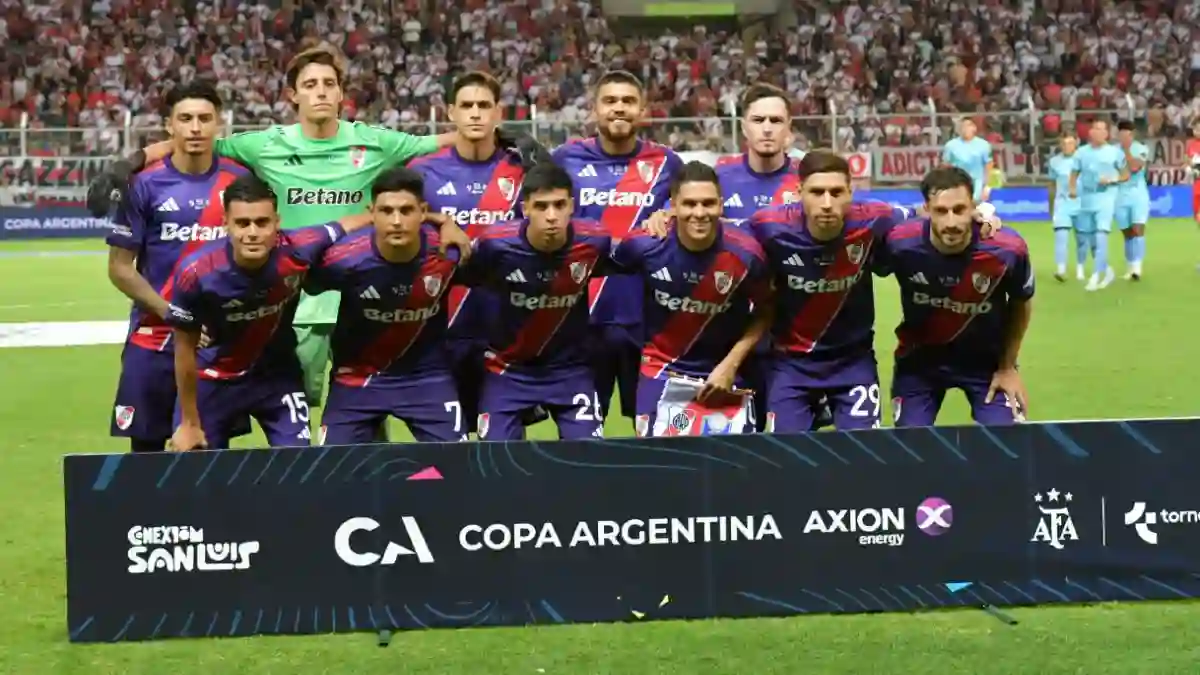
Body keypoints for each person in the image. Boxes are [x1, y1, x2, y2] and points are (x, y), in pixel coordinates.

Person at [88, 44, 498, 411]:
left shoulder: (377, 142)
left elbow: (450, 139)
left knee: (367, 395)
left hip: (359, 288)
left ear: (341, 94)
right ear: (293, 95)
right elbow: (192, 142)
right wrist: (130, 162)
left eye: (328, 84)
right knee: (294, 397)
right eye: (310, 84)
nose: (320, 91)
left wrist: (506, 138)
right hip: (291, 291)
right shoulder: (264, 144)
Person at [166, 175, 374, 451]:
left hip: (278, 379)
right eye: (242, 223)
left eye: (262, 222)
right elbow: (183, 352)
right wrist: (189, 422)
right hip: (212, 380)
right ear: (225, 223)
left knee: (298, 466)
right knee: (197, 473)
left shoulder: (300, 247)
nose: (252, 232)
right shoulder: (196, 273)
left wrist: (439, 221)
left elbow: (344, 225)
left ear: (277, 222)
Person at [105, 81, 252, 452]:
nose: (196, 127)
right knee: (146, 460)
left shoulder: (241, 181)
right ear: (169, 126)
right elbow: (120, 268)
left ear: (220, 124)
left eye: (205, 118)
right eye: (185, 119)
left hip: (216, 343)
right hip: (153, 339)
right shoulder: (144, 184)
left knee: (211, 457)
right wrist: (173, 314)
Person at [551, 70, 684, 425]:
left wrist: (672, 213)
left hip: (647, 320)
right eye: (610, 101)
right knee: (581, 437)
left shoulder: (667, 164)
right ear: (594, 109)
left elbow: (694, 210)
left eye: (628, 101)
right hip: (579, 318)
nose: (619, 108)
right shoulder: (565, 159)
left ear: (642, 110)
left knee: (652, 433)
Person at [746, 151, 907, 432]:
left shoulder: (875, 218)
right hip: (790, 364)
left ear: (850, 192)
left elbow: (925, 218)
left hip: (853, 362)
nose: (827, 204)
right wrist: (667, 216)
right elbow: (721, 235)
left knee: (866, 455)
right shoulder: (768, 226)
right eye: (817, 192)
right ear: (799, 192)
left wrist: (980, 216)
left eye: (836, 192)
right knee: (785, 458)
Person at [408, 71, 532, 435]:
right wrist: (437, 218)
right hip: (441, 328)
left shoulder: (525, 169)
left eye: (483, 105)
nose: (475, 114)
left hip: (509, 328)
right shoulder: (423, 171)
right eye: (466, 106)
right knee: (448, 448)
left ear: (498, 112)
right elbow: (393, 219)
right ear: (451, 112)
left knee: (504, 448)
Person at [608, 162, 771, 436]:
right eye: (689, 204)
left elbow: (767, 310)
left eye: (708, 203)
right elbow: (609, 276)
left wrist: (730, 365)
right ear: (673, 205)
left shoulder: (747, 253)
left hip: (725, 371)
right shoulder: (644, 244)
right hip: (662, 369)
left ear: (721, 205)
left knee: (734, 469)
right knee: (664, 465)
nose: (699, 213)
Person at [306, 168, 465, 444]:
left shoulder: (450, 253)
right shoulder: (342, 261)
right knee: (329, 471)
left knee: (459, 468)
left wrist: (447, 223)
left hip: (427, 378)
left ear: (422, 211)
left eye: (406, 211)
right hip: (356, 378)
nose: (396, 221)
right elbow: (295, 287)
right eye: (386, 211)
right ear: (372, 213)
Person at [456, 163, 610, 441]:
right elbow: (465, 279)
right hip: (507, 370)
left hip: (570, 370)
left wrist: (665, 216)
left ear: (571, 206)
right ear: (525, 208)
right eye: (541, 206)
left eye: (559, 205)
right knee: (494, 463)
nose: (551, 216)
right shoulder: (494, 245)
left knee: (590, 458)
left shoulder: (596, 241)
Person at [879, 166, 1033, 426]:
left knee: (1010, 446)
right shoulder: (900, 243)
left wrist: (1007, 367)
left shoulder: (1006, 249)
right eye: (941, 211)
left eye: (959, 209)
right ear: (926, 209)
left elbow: (1021, 302)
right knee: (909, 449)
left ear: (974, 207)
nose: (951, 222)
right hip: (919, 363)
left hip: (987, 364)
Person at [1069, 119, 1127, 291]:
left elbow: (1125, 175)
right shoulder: (1081, 153)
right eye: (1096, 129)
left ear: (1107, 133)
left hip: (1107, 197)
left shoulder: (1114, 153)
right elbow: (1074, 173)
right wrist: (1072, 189)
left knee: (1101, 235)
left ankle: (1095, 276)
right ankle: (1107, 271)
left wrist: (1112, 180)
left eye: (1103, 129)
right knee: (1091, 240)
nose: (1099, 132)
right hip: (1087, 197)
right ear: (1090, 132)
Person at [1046, 134, 1089, 282]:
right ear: (1060, 145)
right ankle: (1061, 269)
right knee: (1061, 236)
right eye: (1064, 144)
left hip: (1082, 204)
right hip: (1062, 204)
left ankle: (1080, 268)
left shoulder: (1084, 159)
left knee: (1082, 238)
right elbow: (1051, 185)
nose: (1067, 147)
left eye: (1070, 143)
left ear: (1076, 144)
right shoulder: (1054, 162)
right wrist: (1051, 206)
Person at [1114, 121, 1150, 280]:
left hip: (1138, 195)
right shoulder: (1113, 151)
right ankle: (1130, 266)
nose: (1124, 137)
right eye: (1121, 133)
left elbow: (1135, 167)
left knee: (1138, 228)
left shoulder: (1141, 149)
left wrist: (1127, 149)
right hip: (1119, 195)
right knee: (1127, 232)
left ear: (1132, 134)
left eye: (1127, 134)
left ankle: (1137, 268)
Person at [942, 118, 994, 203]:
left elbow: (988, 165)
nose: (965, 128)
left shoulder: (984, 145)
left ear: (974, 128)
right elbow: (946, 166)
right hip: (958, 182)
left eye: (968, 125)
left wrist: (987, 186)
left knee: (974, 204)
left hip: (977, 182)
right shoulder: (950, 145)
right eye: (963, 126)